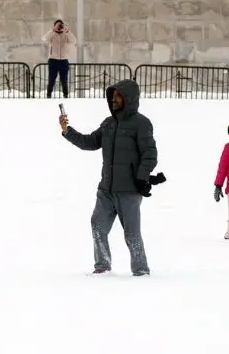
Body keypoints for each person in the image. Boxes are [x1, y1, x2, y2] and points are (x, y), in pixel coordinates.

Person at [59, 79, 161, 276]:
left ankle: (141, 270)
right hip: (106, 189)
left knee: (131, 234)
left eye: (118, 96)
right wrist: (67, 131)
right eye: (112, 96)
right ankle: (102, 266)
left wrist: (142, 178)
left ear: (128, 98)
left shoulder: (141, 123)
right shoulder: (108, 123)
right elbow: (89, 142)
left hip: (129, 191)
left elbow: (150, 154)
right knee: (97, 225)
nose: (113, 100)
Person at [42, 19, 76, 98]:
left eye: (61, 25)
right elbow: (44, 39)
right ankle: (48, 95)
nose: (59, 27)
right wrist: (53, 30)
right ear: (54, 26)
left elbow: (74, 41)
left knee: (64, 80)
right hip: (53, 60)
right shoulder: (52, 34)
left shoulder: (66, 34)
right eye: (57, 25)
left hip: (64, 60)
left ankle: (65, 95)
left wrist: (68, 32)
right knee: (51, 79)